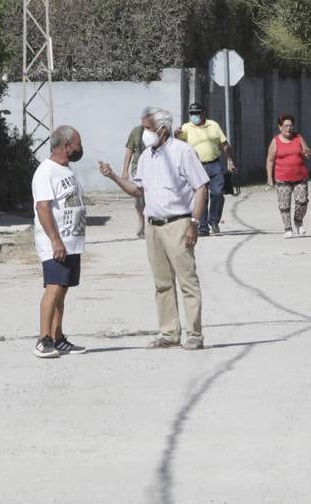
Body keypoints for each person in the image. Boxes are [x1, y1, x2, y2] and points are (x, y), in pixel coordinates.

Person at [98, 106, 210, 350]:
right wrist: (114, 177)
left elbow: (201, 187)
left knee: (187, 280)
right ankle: (169, 333)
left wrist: (194, 222)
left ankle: (194, 333)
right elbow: (138, 190)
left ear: (162, 128)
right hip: (153, 226)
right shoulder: (147, 157)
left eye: (148, 128)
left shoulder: (182, 152)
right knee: (162, 283)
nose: (144, 133)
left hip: (178, 223)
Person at [30, 125, 88, 358]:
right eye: (77, 144)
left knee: (62, 290)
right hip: (56, 242)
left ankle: (58, 337)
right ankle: (44, 339)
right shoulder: (46, 171)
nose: (80, 148)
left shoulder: (65, 169)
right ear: (66, 146)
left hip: (71, 241)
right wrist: (55, 240)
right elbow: (42, 207)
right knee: (53, 288)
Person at [176, 101, 236, 236]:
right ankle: (202, 227)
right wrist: (176, 133)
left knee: (218, 193)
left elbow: (225, 144)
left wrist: (230, 161)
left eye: (197, 113)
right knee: (200, 196)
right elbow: (178, 141)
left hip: (215, 165)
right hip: (196, 167)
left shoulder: (213, 125)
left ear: (203, 113)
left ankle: (213, 220)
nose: (194, 116)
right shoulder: (186, 127)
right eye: (191, 113)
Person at [265, 113, 311, 238]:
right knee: (284, 205)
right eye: (285, 126)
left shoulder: (298, 137)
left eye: (290, 126)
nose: (289, 128)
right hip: (282, 177)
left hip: (300, 176)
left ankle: (298, 220)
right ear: (280, 127)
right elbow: (270, 160)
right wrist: (270, 178)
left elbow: (307, 152)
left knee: (302, 202)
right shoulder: (275, 141)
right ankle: (288, 228)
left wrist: (307, 153)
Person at [122, 121, 146, 238]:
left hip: (155, 167)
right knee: (139, 198)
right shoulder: (136, 131)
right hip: (138, 169)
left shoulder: (159, 130)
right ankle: (141, 223)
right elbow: (129, 151)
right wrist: (125, 171)